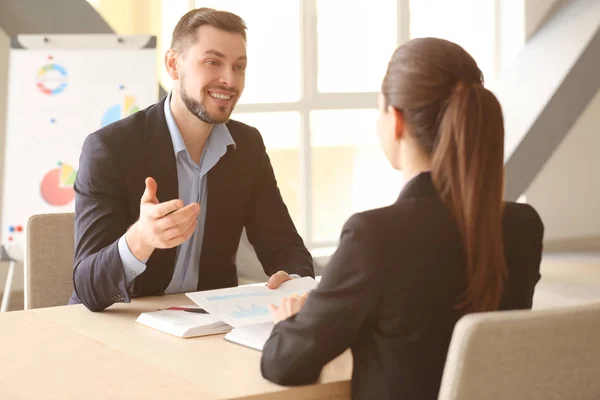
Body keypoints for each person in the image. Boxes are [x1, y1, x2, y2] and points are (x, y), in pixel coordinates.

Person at [260, 37, 544, 399]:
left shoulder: (374, 236)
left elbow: (284, 365)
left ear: (395, 121)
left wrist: (288, 324)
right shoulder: (523, 226)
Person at [69, 8, 314, 312]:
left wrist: (294, 281)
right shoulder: (109, 149)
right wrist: (141, 240)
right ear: (173, 64)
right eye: (212, 62)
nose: (229, 79)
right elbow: (87, 286)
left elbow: (284, 245)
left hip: (204, 325)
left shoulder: (247, 146)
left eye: (239, 66)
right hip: (118, 321)